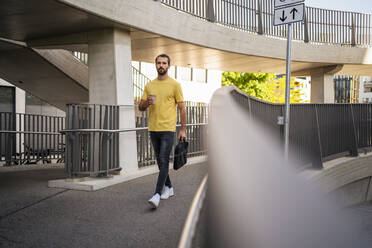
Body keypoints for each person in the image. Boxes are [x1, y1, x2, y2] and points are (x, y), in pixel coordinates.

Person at [139, 54, 187, 209]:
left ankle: (157, 194)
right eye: (159, 63)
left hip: (168, 129)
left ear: (168, 66)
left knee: (164, 159)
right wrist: (146, 102)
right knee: (160, 162)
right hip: (153, 128)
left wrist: (183, 129)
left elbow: (182, 108)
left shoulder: (175, 85)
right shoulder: (149, 85)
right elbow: (140, 107)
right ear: (155, 65)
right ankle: (170, 187)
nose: (161, 65)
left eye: (164, 63)